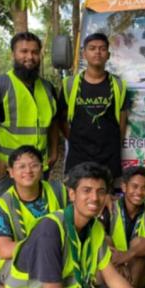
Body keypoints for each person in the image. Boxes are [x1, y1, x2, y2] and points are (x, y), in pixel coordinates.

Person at [1, 162, 145, 288]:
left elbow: (110, 275)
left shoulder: (95, 227)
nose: (95, 198)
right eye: (87, 190)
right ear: (72, 194)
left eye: (100, 192)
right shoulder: (50, 229)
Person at [0, 31, 59, 198]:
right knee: (4, 212)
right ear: (13, 54)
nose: (29, 57)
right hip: (6, 171)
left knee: (36, 212)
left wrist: (54, 151)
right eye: (24, 51)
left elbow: (53, 121)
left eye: (34, 52)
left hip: (38, 170)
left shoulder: (48, 88)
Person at [0, 146, 67, 286]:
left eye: (34, 165)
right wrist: (46, 247)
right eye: (21, 166)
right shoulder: (0, 205)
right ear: (11, 172)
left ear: (42, 168)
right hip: (17, 262)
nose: (28, 171)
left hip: (57, 254)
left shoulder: (59, 191)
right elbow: (4, 249)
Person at [59, 32, 127, 189]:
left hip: (108, 157)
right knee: (78, 196)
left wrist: (113, 143)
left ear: (108, 55)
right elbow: (61, 119)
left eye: (102, 49)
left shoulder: (119, 85)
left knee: (106, 197)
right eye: (92, 48)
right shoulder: (69, 84)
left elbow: (122, 121)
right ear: (84, 54)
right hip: (78, 156)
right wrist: (75, 139)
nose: (97, 52)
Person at [101, 166, 145, 288]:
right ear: (124, 187)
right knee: (105, 240)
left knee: (139, 242)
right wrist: (118, 261)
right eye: (134, 186)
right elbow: (97, 234)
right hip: (115, 267)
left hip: (139, 270)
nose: (139, 192)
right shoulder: (111, 207)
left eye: (144, 188)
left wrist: (128, 255)